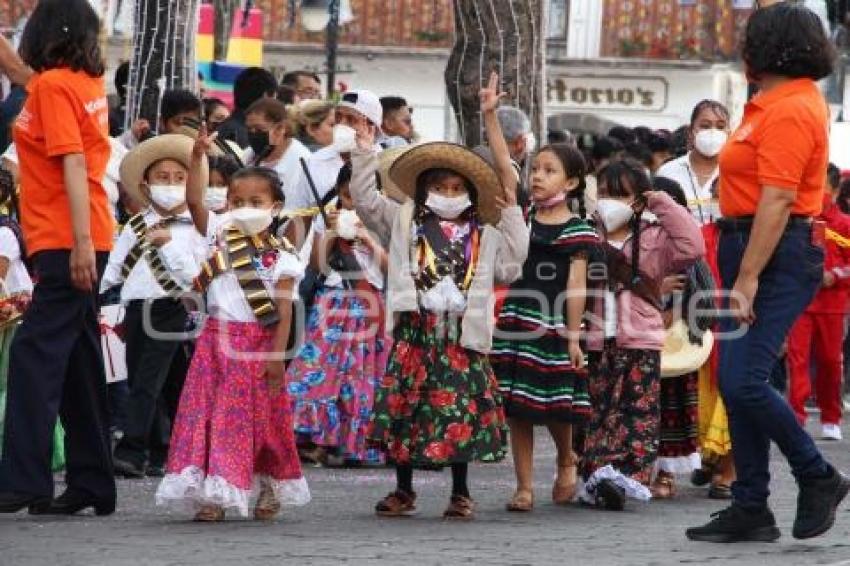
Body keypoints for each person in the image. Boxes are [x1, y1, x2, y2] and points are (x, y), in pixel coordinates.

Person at [687, 4, 850, 544]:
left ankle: (818, 474)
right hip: (750, 245)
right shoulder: (769, 103)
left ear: (771, 45)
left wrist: (748, 277)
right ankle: (751, 506)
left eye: (750, 38)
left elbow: (779, 199)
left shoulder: (792, 107)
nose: (742, 46)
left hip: (774, 252)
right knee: (736, 384)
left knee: (743, 379)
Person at [347, 73, 526, 520]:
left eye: (456, 189)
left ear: (470, 194)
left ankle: (460, 492)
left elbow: (513, 266)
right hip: (416, 330)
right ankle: (403, 490)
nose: (448, 196)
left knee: (459, 412)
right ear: (424, 189)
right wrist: (365, 152)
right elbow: (366, 203)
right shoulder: (405, 220)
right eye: (440, 188)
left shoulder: (484, 233)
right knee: (407, 409)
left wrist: (513, 216)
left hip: (462, 335)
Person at [0, 0, 117, 516]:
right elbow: (22, 75)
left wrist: (80, 244)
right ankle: (93, 481)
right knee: (77, 360)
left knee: (34, 355)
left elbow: (72, 161)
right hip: (80, 231)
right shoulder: (81, 83)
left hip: (68, 237)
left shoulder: (52, 87)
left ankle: (23, 479)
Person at [156, 131, 310, 521]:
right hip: (214, 342)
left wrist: (277, 357)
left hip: (258, 346)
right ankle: (216, 493)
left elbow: (284, 311)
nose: (244, 208)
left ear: (275, 208)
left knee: (261, 422)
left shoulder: (283, 257)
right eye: (237, 201)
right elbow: (193, 201)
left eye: (255, 202)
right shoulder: (220, 233)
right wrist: (196, 159)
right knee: (207, 417)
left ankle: (269, 485)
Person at [580, 159, 704, 511]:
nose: (609, 200)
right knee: (599, 411)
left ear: (638, 199)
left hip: (640, 339)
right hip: (598, 338)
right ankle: (597, 477)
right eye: (604, 192)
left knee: (638, 413)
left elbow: (693, 246)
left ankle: (626, 478)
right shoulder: (589, 234)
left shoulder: (655, 235)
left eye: (619, 194)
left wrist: (659, 201)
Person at [491, 143, 599, 512]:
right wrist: (489, 115)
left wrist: (573, 338)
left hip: (554, 323)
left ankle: (566, 459)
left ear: (570, 182)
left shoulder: (578, 230)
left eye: (549, 170)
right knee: (517, 408)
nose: (537, 175)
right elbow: (505, 167)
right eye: (535, 168)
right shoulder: (521, 217)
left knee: (556, 404)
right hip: (515, 320)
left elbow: (576, 287)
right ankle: (523, 487)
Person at [103, 135, 210, 479]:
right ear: (146, 183)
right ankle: (165, 448)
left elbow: (194, 276)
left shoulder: (197, 228)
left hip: (173, 308)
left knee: (147, 381)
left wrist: (167, 247)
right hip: (135, 308)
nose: (171, 185)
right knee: (150, 380)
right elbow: (115, 268)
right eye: (162, 178)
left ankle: (131, 450)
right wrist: (98, 298)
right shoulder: (135, 225)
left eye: (180, 178)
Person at [286, 164, 389, 466]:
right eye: (346, 195)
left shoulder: (383, 221)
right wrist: (332, 233)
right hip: (332, 302)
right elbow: (318, 265)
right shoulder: (325, 217)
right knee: (317, 372)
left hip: (368, 304)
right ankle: (315, 437)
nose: (352, 202)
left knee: (359, 377)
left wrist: (367, 240)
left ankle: (353, 443)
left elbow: (391, 268)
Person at [786, 163, 850, 440]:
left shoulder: (845, 225)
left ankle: (831, 417)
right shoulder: (798, 221)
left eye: (821, 187)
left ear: (834, 190)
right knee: (797, 359)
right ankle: (795, 415)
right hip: (800, 302)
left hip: (832, 305)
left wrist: (834, 275)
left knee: (829, 361)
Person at [656, 100, 730, 225]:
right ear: (690, 132)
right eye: (705, 126)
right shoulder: (668, 172)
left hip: (723, 243)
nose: (713, 132)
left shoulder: (736, 173)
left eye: (720, 127)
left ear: (729, 132)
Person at [244, 98, 312, 205]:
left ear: (280, 128)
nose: (253, 134)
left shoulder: (303, 162)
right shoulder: (249, 155)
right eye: (249, 129)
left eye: (259, 129)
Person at [217, 67, 277, 149]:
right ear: (266, 96)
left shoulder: (219, 131)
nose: (277, 105)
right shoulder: (257, 140)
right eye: (275, 98)